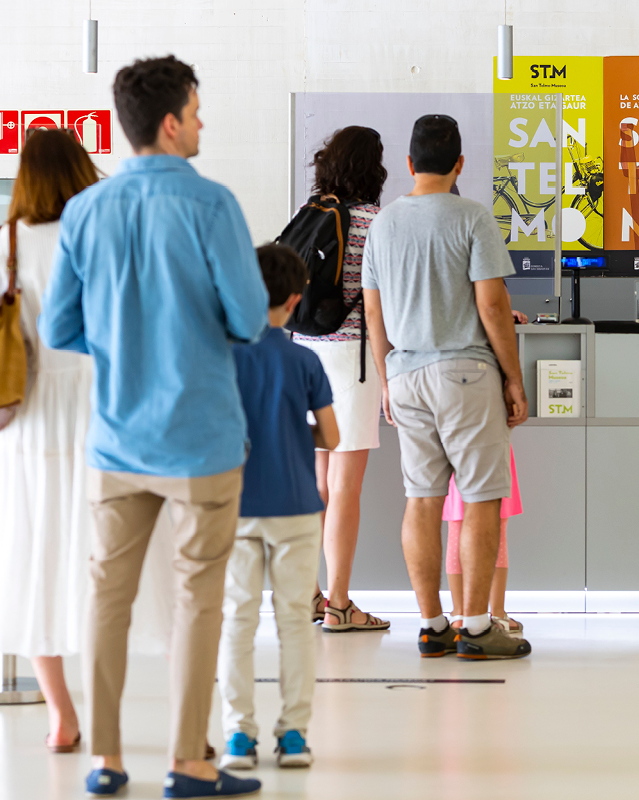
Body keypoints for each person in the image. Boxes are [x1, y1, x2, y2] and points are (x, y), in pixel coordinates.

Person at [39, 55, 267, 799]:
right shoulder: (213, 206)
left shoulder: (85, 211)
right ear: (170, 124)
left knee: (106, 596)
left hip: (114, 437)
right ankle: (188, 762)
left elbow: (61, 326)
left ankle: (105, 761)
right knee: (199, 595)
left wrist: (124, 338)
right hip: (198, 435)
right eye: (197, 112)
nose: (202, 123)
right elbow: (247, 318)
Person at [362, 114, 532, 660]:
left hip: (406, 375)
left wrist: (387, 379)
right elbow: (492, 304)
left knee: (421, 498)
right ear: (461, 164)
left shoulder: (383, 224)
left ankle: (433, 624)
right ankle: (478, 628)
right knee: (482, 497)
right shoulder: (472, 217)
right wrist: (513, 378)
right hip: (465, 373)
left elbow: (373, 312)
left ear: (409, 164)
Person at [0, 128, 99, 754]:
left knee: (32, 563)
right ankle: (110, 716)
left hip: (26, 420)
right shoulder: (98, 238)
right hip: (96, 415)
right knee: (103, 565)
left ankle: (62, 715)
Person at [217, 244, 340, 771]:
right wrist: (295, 427)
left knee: (236, 621)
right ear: (295, 300)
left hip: (237, 508)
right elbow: (331, 438)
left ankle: (238, 737)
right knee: (293, 621)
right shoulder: (305, 359)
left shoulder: (224, 355)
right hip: (295, 507)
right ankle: (293, 736)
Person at [292, 126, 390, 633]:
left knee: (316, 485)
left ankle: (307, 593)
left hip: (307, 354)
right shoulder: (377, 222)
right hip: (353, 362)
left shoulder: (311, 212)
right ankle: (340, 604)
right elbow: (381, 306)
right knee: (345, 488)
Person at [445, 446, 524, 635]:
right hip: (492, 443)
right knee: (496, 530)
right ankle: (497, 614)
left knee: (457, 529)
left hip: (457, 444)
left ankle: (459, 614)